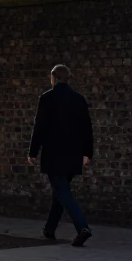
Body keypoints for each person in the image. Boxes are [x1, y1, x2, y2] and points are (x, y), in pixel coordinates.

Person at [28, 64, 94, 247]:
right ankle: (50, 228)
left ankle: (83, 227)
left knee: (63, 191)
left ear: (53, 77)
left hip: (54, 154)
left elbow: (39, 127)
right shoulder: (78, 99)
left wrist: (32, 152)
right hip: (73, 154)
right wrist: (88, 153)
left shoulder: (47, 98)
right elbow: (87, 128)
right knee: (60, 190)